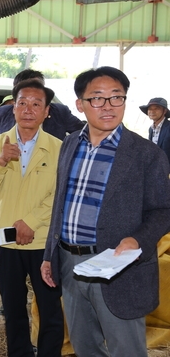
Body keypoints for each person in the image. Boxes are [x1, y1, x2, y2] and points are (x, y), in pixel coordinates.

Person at [41, 67, 170, 356]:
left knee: (126, 348)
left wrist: (137, 240)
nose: (108, 106)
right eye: (97, 98)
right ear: (80, 104)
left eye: (116, 98)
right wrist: (50, 254)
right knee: (84, 345)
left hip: (119, 267)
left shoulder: (146, 154)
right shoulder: (71, 143)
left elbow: (163, 209)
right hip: (70, 263)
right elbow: (61, 203)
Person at [0, 79, 64, 356]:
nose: (28, 109)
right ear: (13, 108)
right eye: (22, 103)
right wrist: (0, 162)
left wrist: (31, 223)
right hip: (5, 241)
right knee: (13, 309)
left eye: (36, 104)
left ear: (46, 111)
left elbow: (60, 195)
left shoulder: (60, 148)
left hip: (44, 243)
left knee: (50, 309)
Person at [0, 69, 84, 142]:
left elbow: (84, 132)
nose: (28, 110)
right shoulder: (3, 113)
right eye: (24, 99)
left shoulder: (60, 112)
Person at [140, 97, 170, 162]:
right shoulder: (151, 129)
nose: (152, 111)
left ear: (164, 111)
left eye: (156, 108)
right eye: (150, 109)